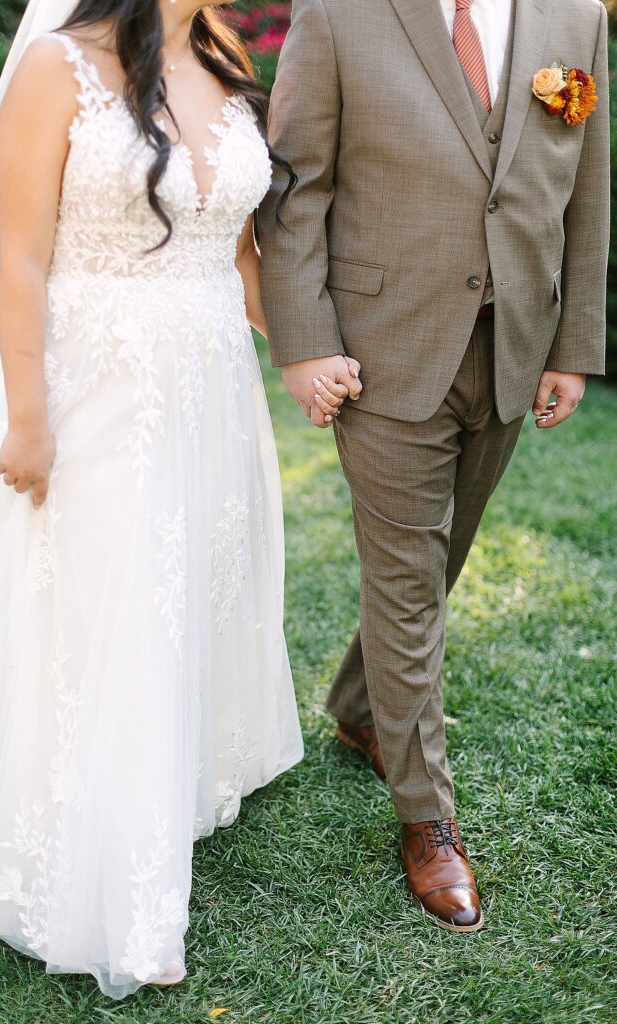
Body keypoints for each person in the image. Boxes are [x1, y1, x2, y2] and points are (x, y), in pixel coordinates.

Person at [0, 0, 331, 998]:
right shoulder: (55, 70)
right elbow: (18, 257)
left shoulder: (222, 55)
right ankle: (98, 871)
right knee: (97, 609)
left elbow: (238, 250)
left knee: (175, 592)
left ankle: (160, 785)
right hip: (93, 385)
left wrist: (303, 348)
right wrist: (27, 414)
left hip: (206, 388)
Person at [260, 0, 609, 932]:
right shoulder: (338, 15)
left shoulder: (574, 20)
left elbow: (587, 187)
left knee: (439, 559)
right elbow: (297, 187)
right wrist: (301, 341)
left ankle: (356, 707)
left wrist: (571, 344)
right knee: (409, 581)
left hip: (511, 345)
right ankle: (428, 820)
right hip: (379, 348)